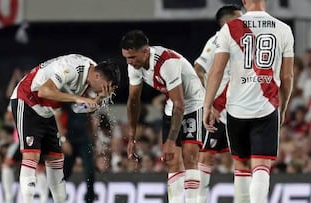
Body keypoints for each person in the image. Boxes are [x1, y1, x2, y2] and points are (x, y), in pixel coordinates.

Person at [203, 0, 294, 203]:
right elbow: (287, 77)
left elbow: (216, 71)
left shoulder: (230, 28)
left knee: (242, 165)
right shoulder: (284, 29)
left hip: (236, 109)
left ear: (244, 1)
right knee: (261, 166)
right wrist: (284, 106)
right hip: (266, 106)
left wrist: (208, 105)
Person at [10, 54, 120, 203]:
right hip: (28, 99)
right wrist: (78, 98)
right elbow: (44, 91)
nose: (105, 90)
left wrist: (98, 99)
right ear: (98, 76)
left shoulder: (91, 76)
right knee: (32, 156)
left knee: (55, 159)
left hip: (48, 110)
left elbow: (76, 108)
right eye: (105, 86)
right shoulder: (72, 68)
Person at [121, 30, 205, 203]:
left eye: (133, 57)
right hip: (172, 106)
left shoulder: (168, 62)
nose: (129, 62)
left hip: (193, 103)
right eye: (126, 58)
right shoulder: (134, 66)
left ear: (145, 51)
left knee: (190, 156)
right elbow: (133, 100)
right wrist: (131, 137)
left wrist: (171, 140)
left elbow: (180, 104)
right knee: (172, 160)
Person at [193, 5, 243, 203]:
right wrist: (209, 103)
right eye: (240, 19)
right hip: (218, 109)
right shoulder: (216, 41)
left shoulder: (242, 42)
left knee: (243, 156)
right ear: (229, 22)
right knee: (206, 156)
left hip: (238, 107)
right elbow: (198, 69)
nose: (244, 22)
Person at [56, 105, 96, 203]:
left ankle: (89, 199)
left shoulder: (85, 96)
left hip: (84, 139)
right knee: (65, 171)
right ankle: (52, 195)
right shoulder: (68, 97)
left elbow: (91, 115)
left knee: (90, 170)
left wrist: (92, 137)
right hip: (70, 139)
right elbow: (57, 116)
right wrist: (63, 139)